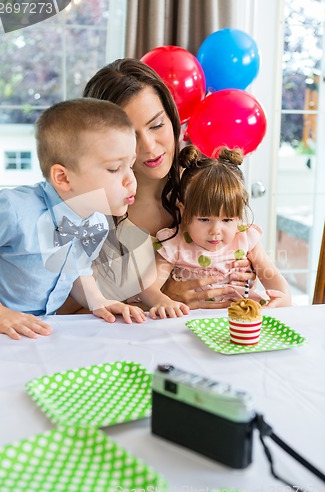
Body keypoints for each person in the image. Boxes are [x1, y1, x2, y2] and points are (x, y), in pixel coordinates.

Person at [57, 58, 254, 313]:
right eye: (129, 135)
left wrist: (244, 276)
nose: (149, 147)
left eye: (157, 125)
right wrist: (158, 295)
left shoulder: (202, 184)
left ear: (172, 118)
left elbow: (245, 250)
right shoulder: (86, 210)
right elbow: (58, 310)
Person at [0, 98, 147, 340]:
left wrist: (99, 301)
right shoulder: (15, 210)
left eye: (131, 166)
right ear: (63, 178)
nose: (131, 180)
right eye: (115, 168)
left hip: (36, 333)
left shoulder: (96, 221)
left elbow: (76, 268)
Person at [138, 145, 291, 317]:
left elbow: (273, 276)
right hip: (191, 319)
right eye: (204, 219)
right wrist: (164, 301)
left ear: (239, 217)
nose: (216, 231)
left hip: (238, 318)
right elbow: (147, 287)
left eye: (227, 220)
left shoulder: (245, 238)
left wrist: (284, 296)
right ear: (183, 210)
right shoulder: (176, 242)